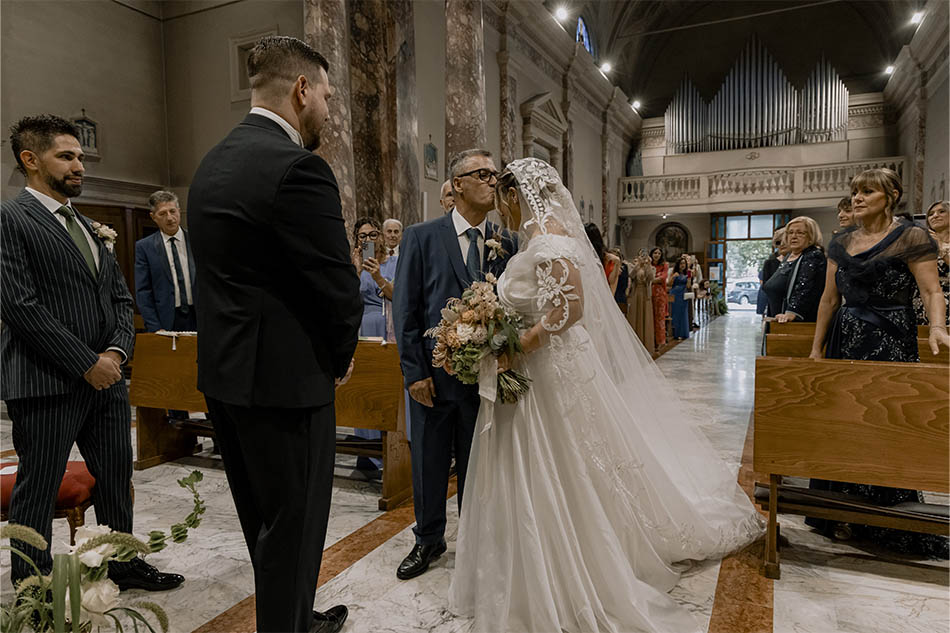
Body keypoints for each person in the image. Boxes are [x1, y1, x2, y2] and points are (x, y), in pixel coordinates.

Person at [448, 158, 763, 633]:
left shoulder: (549, 240)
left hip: (548, 367)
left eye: (503, 199)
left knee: (564, 460)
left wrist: (518, 345)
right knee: (541, 461)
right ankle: (526, 554)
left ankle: (569, 556)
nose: (501, 210)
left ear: (516, 195)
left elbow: (569, 309)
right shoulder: (536, 239)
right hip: (533, 368)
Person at [188, 36, 361, 633]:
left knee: (263, 523)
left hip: (226, 378)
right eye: (328, 97)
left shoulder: (211, 164)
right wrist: (340, 356)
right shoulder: (299, 168)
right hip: (288, 385)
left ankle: (295, 617)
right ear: (302, 90)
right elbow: (337, 285)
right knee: (295, 526)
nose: (329, 111)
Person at [1, 114, 183, 592]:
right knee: (39, 486)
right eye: (66, 156)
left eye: (80, 156)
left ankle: (121, 561)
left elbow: (120, 298)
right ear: (30, 159)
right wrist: (87, 363)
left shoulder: (88, 226)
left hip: (107, 380)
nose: (79, 165)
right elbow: (19, 306)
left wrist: (116, 354)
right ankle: (32, 585)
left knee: (116, 477)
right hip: (45, 382)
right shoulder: (10, 219)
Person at [807, 168, 949, 555]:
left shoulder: (912, 236)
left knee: (885, 421)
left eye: (868, 191)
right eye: (855, 192)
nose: (858, 198)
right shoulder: (840, 241)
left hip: (891, 338)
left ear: (891, 196)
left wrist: (937, 327)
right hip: (846, 338)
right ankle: (841, 512)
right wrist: (817, 348)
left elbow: (931, 290)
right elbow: (829, 299)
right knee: (844, 423)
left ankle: (887, 515)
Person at [392, 149, 517, 581]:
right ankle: (428, 539)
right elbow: (406, 310)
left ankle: (476, 541)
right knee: (428, 462)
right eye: (483, 174)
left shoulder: (506, 242)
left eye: (495, 174)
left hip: (485, 380)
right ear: (458, 184)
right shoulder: (422, 237)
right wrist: (414, 373)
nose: (493, 181)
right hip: (433, 378)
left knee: (478, 464)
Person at [350, 216, 396, 475]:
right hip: (364, 329)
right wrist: (357, 270)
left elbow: (398, 295)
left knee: (387, 391)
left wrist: (378, 276)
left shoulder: (394, 262)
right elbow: (347, 299)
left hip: (389, 330)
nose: (368, 239)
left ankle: (393, 451)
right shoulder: (353, 266)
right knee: (366, 390)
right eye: (362, 236)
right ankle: (368, 454)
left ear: (381, 236)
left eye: (372, 234)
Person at [134, 190, 197, 332]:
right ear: (153, 217)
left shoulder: (196, 240)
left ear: (179, 211)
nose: (169, 218)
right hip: (166, 321)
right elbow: (143, 292)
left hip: (198, 317)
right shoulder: (145, 247)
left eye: (172, 211)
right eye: (162, 214)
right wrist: (155, 327)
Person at [762, 216, 826, 323]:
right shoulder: (789, 256)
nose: (794, 236)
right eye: (790, 233)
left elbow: (806, 288)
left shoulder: (813, 255)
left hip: (796, 322)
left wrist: (792, 312)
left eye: (800, 233)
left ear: (811, 236)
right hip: (777, 318)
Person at [913, 200, 949, 325]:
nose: (935, 216)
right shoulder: (922, 244)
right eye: (931, 214)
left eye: (942, 211)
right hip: (922, 300)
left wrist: (940, 246)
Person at [627, 249, 655, 350]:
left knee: (645, 315)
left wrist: (648, 265)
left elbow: (650, 278)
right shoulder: (634, 266)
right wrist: (638, 265)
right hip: (635, 293)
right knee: (635, 315)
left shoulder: (651, 267)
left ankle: (645, 343)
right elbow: (631, 276)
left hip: (645, 294)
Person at [756, 227, 786, 316]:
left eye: (785, 241)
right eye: (778, 242)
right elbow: (766, 286)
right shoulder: (770, 262)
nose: (782, 245)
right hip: (775, 305)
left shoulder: (800, 260)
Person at [649, 246, 669, 348]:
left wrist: (651, 280)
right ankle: (650, 339)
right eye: (655, 253)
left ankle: (660, 340)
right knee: (650, 316)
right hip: (649, 293)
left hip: (660, 293)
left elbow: (663, 277)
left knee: (659, 318)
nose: (657, 255)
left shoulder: (664, 265)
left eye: (659, 253)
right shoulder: (648, 265)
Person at [667, 257, 691, 339]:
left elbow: (688, 286)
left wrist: (689, 277)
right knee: (675, 313)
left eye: (684, 263)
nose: (682, 265)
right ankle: (675, 333)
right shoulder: (674, 272)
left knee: (683, 313)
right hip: (675, 293)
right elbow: (669, 284)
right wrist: (673, 277)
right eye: (681, 263)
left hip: (683, 294)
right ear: (678, 264)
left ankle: (683, 333)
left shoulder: (687, 273)